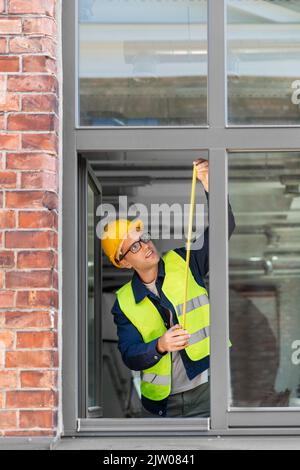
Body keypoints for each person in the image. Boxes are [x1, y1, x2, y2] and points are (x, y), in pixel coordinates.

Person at [101, 159, 236, 417]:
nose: (145, 246)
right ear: (123, 262)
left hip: (207, 392)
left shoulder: (184, 262)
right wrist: (160, 345)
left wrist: (211, 186)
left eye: (143, 238)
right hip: (162, 406)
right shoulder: (124, 302)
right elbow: (130, 354)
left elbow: (223, 229)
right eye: (135, 246)